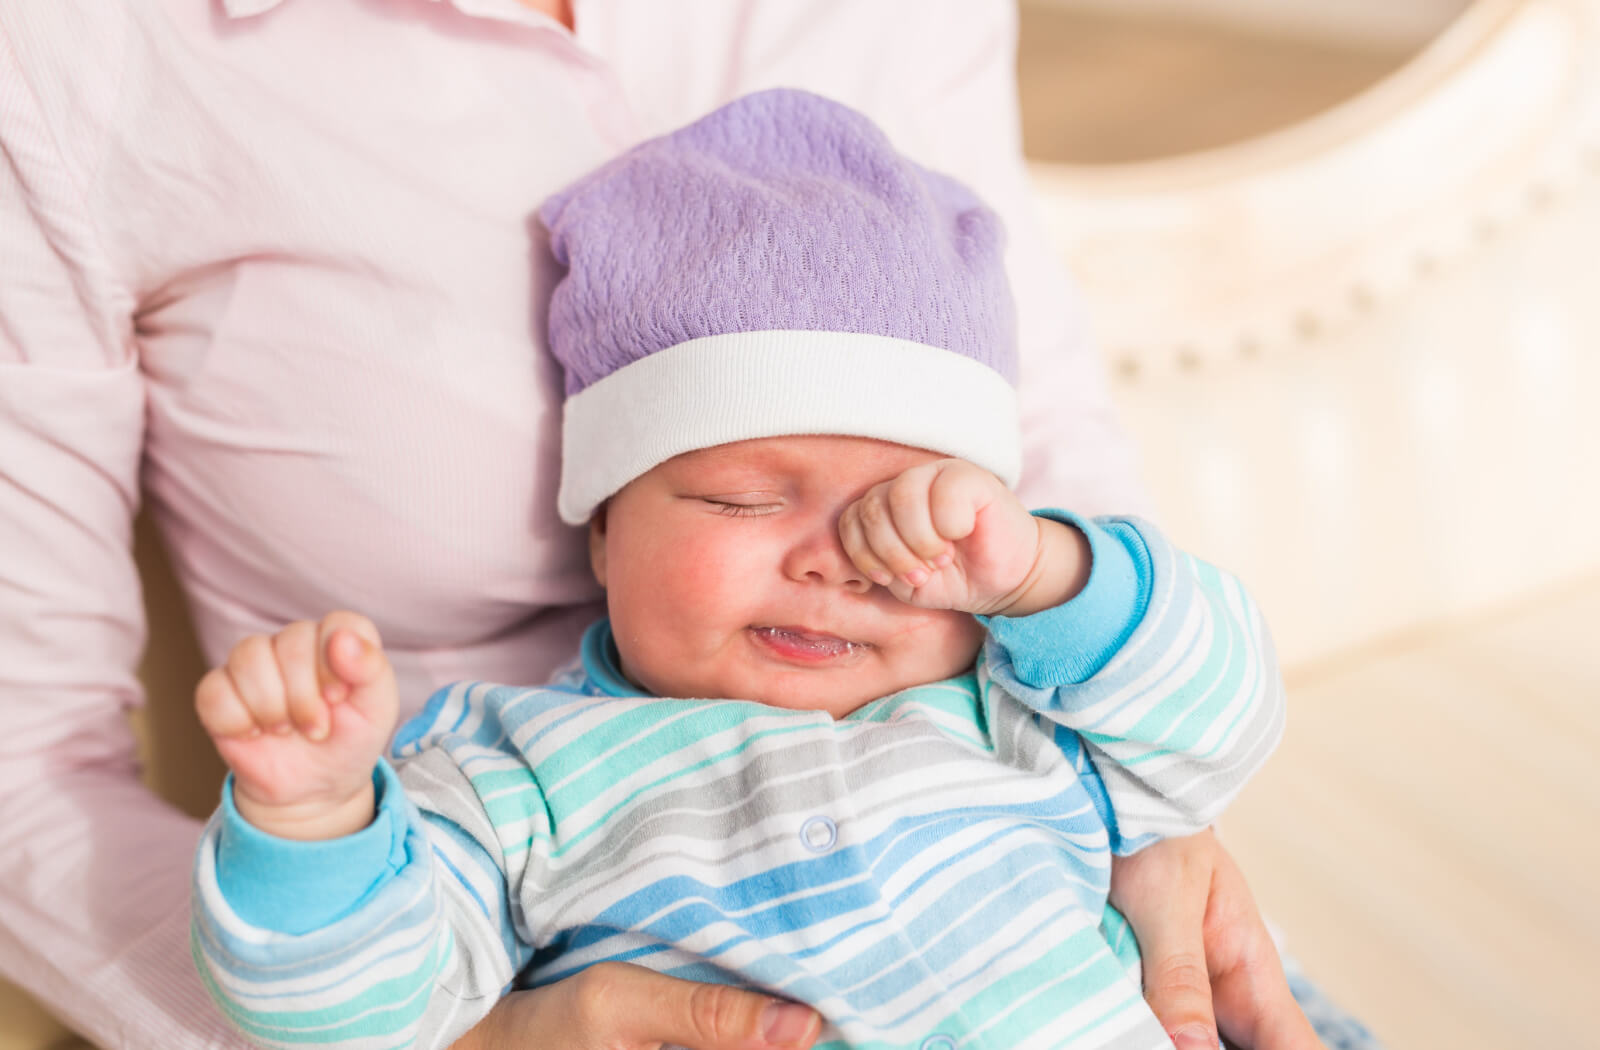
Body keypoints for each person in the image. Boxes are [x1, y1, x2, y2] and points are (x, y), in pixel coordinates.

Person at [0, 2, 1354, 1049]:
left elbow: (1208, 685)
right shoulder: (507, 776)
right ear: (598, 531)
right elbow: (350, 996)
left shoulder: (1010, 696)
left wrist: (1046, 579)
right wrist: (311, 820)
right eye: (738, 498)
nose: (833, 555)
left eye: (909, 515)